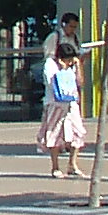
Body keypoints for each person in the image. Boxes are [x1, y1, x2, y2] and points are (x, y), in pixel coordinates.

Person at [39, 35, 86, 178]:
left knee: (77, 132)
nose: (70, 62)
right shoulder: (50, 65)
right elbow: (51, 83)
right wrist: (63, 68)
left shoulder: (72, 66)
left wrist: (77, 67)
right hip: (55, 104)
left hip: (71, 103)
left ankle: (73, 164)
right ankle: (55, 167)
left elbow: (80, 83)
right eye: (68, 59)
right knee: (54, 133)